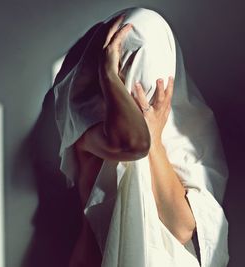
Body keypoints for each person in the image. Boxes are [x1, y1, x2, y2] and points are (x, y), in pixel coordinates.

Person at [52, 7, 229, 267]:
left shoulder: (192, 132)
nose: (141, 85)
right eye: (129, 66)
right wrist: (109, 77)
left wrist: (156, 141)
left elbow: (181, 227)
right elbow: (133, 143)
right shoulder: (91, 132)